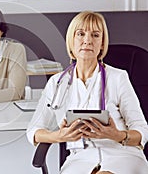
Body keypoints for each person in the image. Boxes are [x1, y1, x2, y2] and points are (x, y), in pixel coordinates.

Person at [26, 11, 148, 174]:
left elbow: (141, 130)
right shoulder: (57, 83)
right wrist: (60, 136)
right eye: (81, 34)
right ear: (71, 41)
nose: (87, 40)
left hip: (122, 154)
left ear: (102, 44)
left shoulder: (118, 78)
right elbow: (34, 131)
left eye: (95, 35)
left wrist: (116, 135)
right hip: (79, 159)